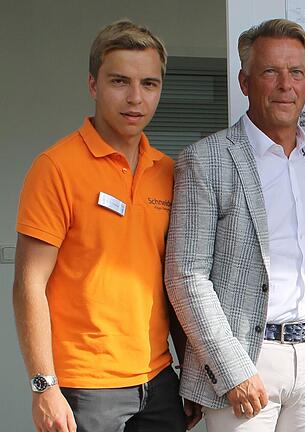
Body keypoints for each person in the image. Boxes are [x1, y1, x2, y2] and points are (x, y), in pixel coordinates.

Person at [13, 20, 199, 432]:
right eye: (120, 81)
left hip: (158, 382)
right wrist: (44, 387)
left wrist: (190, 373)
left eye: (149, 84)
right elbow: (29, 285)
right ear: (93, 85)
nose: (136, 98)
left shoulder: (168, 171)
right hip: (83, 388)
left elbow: (177, 282)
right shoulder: (56, 168)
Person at [164, 19, 305, 432]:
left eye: (296, 72)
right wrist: (231, 368)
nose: (285, 85)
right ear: (245, 81)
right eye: (270, 72)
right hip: (246, 360)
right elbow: (186, 274)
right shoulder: (206, 159)